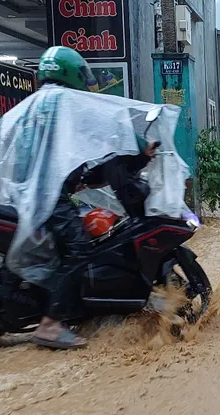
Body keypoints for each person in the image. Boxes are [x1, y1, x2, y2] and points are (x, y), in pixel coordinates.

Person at [28, 46, 158, 349]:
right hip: (47, 196)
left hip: (33, 192)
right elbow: (108, 124)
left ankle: (72, 308)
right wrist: (142, 146)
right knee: (79, 248)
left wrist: (81, 180)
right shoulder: (65, 102)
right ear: (71, 73)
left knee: (67, 245)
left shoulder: (38, 104)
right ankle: (49, 325)